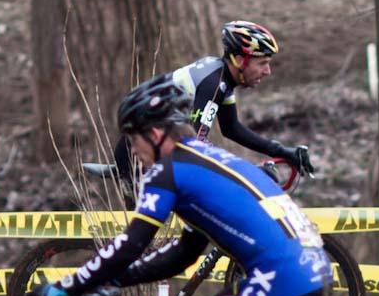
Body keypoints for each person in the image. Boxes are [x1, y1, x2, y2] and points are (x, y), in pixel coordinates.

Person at [30, 73, 332, 296]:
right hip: (313, 272)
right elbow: (184, 253)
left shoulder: (169, 171)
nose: (133, 152)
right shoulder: (206, 157)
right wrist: (114, 279)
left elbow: (131, 243)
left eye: (133, 140)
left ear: (156, 134)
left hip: (281, 280)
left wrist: (67, 286)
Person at [113, 21, 314, 186]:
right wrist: (247, 171)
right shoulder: (214, 83)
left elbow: (231, 128)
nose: (267, 71)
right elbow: (194, 144)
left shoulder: (222, 79)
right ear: (238, 60)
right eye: (262, 63)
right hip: (140, 157)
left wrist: (280, 151)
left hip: (151, 152)